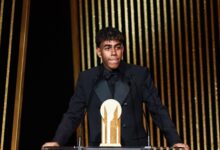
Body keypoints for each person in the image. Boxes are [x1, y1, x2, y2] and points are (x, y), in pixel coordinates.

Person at [42, 27, 190, 149]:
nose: (113, 53)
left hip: (134, 147)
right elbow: (73, 114)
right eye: (107, 48)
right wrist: (58, 141)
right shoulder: (87, 78)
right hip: (99, 147)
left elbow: (158, 110)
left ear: (122, 50)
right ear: (99, 52)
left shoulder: (139, 75)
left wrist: (174, 141)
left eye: (117, 47)